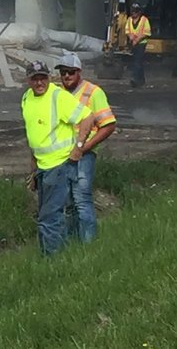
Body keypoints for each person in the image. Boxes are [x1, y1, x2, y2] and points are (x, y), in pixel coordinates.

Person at [21, 61, 93, 256]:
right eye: (35, 79)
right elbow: (33, 134)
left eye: (42, 78)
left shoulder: (58, 97)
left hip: (58, 165)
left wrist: (78, 147)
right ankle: (55, 254)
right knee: (47, 214)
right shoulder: (27, 98)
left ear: (49, 78)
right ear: (28, 80)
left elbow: (87, 118)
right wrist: (33, 167)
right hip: (42, 167)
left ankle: (53, 260)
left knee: (49, 216)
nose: (39, 83)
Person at [55, 54, 116, 243]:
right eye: (63, 72)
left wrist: (84, 148)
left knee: (82, 200)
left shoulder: (93, 92)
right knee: (67, 203)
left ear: (79, 72)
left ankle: (89, 245)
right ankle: (72, 243)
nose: (66, 76)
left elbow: (108, 125)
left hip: (84, 155)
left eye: (70, 72)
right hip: (61, 155)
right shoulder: (56, 92)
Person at [125, 2, 151, 87]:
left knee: (137, 61)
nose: (133, 13)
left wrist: (137, 39)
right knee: (137, 61)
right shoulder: (129, 20)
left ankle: (135, 79)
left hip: (141, 44)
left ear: (139, 12)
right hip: (133, 43)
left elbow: (146, 32)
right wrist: (130, 36)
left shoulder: (144, 20)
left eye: (135, 12)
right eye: (132, 11)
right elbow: (127, 30)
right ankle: (141, 79)